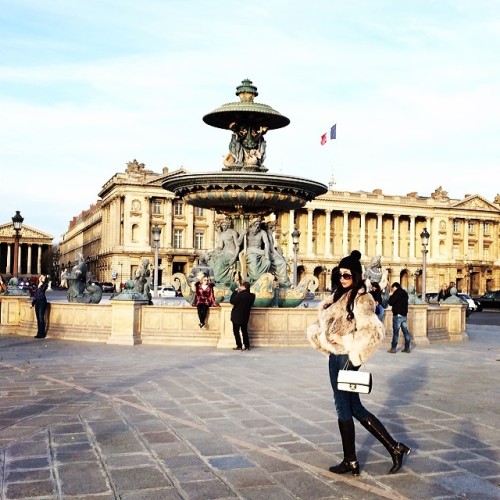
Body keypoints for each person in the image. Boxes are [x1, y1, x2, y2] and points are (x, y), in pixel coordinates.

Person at [307, 250, 410, 476]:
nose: (343, 279)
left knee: (342, 406)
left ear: (355, 275)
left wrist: (351, 353)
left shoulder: (362, 299)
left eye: (347, 275)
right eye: (340, 274)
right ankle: (395, 447)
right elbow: (327, 323)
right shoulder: (337, 296)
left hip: (346, 357)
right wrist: (319, 334)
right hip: (336, 356)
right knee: (354, 407)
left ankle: (350, 461)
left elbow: (374, 331)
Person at [240, 218, 271, 283]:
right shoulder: (247, 232)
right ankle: (255, 277)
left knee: (268, 262)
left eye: (258, 225)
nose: (257, 226)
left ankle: (261, 279)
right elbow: (238, 243)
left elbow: (266, 243)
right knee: (253, 259)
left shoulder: (262, 232)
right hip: (250, 252)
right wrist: (242, 235)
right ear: (252, 224)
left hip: (260, 252)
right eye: (256, 224)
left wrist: (266, 255)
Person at [230, 282, 256, 351]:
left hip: (236, 316)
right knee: (244, 331)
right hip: (245, 316)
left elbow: (232, 301)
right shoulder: (252, 296)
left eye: (241, 286)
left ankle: (239, 345)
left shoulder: (239, 295)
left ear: (244, 287)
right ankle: (247, 346)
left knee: (236, 331)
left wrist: (235, 292)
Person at [388, 282, 411, 353]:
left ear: (395, 287)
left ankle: (393, 348)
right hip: (404, 315)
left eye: (393, 288)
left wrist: (391, 295)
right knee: (405, 331)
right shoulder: (405, 293)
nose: (392, 290)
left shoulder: (396, 293)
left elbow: (390, 302)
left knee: (396, 332)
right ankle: (407, 348)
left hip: (397, 315)